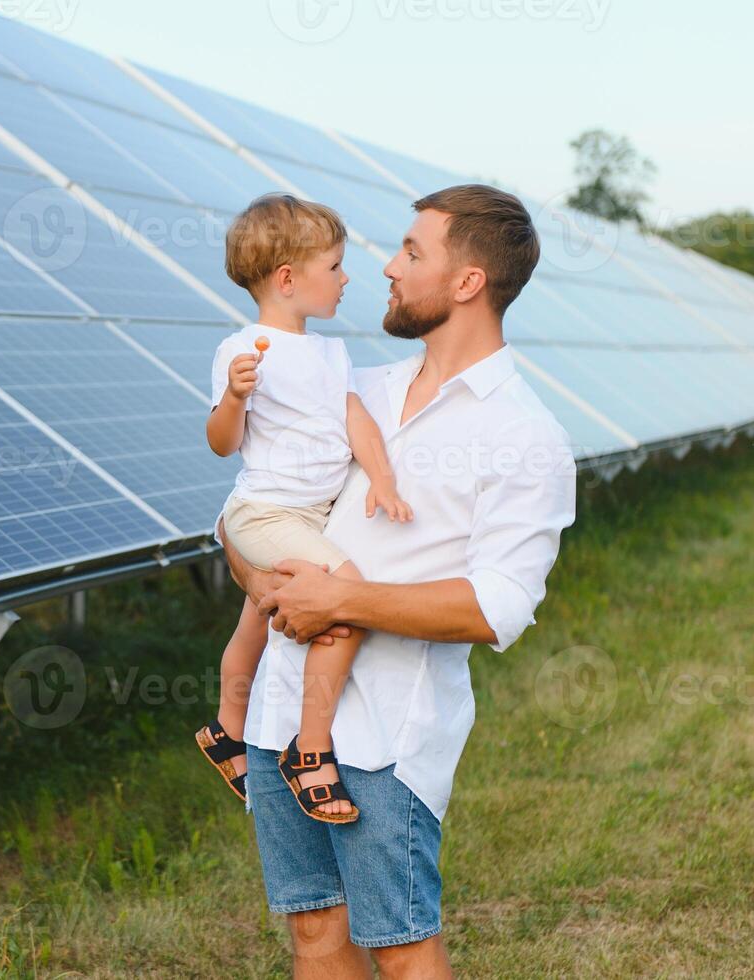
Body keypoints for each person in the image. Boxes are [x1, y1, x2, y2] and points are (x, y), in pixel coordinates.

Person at [224, 185, 577, 976]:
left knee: (402, 950)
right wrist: (257, 576)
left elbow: (498, 608)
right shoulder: (353, 389)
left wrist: (339, 600)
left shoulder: (524, 436)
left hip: (386, 735)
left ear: (466, 283)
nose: (386, 266)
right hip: (280, 715)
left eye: (412, 252)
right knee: (315, 935)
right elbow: (249, 509)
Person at [196, 193, 413, 823]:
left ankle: (224, 730)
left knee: (254, 626)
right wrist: (234, 398)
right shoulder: (245, 350)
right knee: (346, 597)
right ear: (289, 279)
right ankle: (310, 748)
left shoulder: (330, 354)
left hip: (306, 518)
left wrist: (382, 481)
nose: (348, 279)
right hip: (264, 514)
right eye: (336, 267)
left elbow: (356, 421)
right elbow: (221, 444)